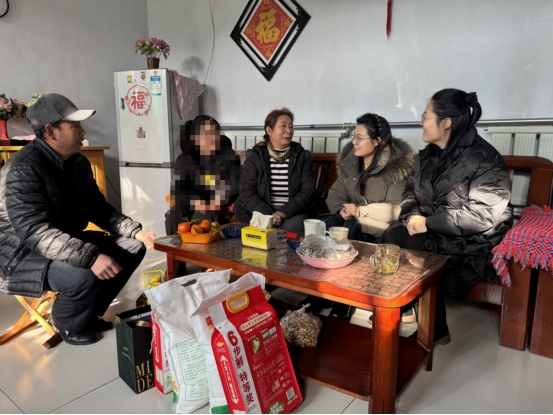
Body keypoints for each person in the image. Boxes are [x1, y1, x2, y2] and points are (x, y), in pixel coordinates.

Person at [0, 93, 157, 346]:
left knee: (132, 247)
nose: (83, 131)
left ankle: (88, 314)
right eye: (75, 126)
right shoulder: (21, 169)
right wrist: (91, 256)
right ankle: (66, 324)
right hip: (21, 253)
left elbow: (97, 208)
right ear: (50, 131)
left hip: (62, 241)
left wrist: (134, 231)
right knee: (83, 273)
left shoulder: (77, 163)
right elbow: (35, 232)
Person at [382, 88, 513, 344]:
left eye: (425, 116)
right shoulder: (426, 156)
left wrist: (428, 223)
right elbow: (410, 192)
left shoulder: (484, 158)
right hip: (434, 227)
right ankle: (401, 310)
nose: (421, 122)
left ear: (446, 123)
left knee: (417, 246)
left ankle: (433, 327)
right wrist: (413, 217)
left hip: (473, 238)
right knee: (392, 235)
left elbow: (482, 215)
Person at [303, 113, 414, 320]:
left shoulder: (396, 167)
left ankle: (344, 300)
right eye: (353, 136)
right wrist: (342, 210)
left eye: (359, 138)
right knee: (330, 224)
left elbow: (396, 209)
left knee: (350, 229)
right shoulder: (351, 163)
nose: (354, 141)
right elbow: (336, 193)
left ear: (376, 141)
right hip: (353, 218)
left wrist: (360, 211)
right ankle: (319, 291)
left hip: (382, 226)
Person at [235, 108, 315, 231]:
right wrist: (269, 214)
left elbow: (308, 190)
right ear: (269, 130)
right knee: (242, 209)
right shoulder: (256, 156)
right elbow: (247, 191)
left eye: (291, 126)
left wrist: (284, 212)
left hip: (291, 212)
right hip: (263, 209)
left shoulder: (302, 156)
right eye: (283, 126)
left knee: (294, 226)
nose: (289, 131)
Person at [165, 115, 241, 235]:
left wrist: (218, 201)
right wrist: (195, 202)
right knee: (173, 216)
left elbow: (236, 185)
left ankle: (197, 247)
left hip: (216, 203)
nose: (212, 138)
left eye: (215, 133)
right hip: (192, 202)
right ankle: (173, 246)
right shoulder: (184, 159)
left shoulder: (229, 156)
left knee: (202, 217)